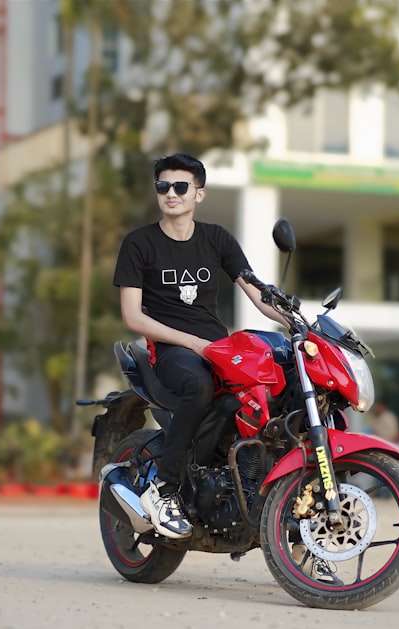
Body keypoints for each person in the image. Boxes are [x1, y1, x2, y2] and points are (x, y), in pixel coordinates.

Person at [113, 153, 285, 539]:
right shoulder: (139, 243)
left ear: (199, 194)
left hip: (217, 346)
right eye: (163, 186)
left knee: (274, 384)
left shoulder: (217, 238)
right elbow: (132, 316)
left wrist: (298, 323)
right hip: (171, 350)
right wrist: (192, 342)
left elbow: (255, 292)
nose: (171, 194)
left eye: (180, 187)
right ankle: (166, 490)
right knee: (200, 387)